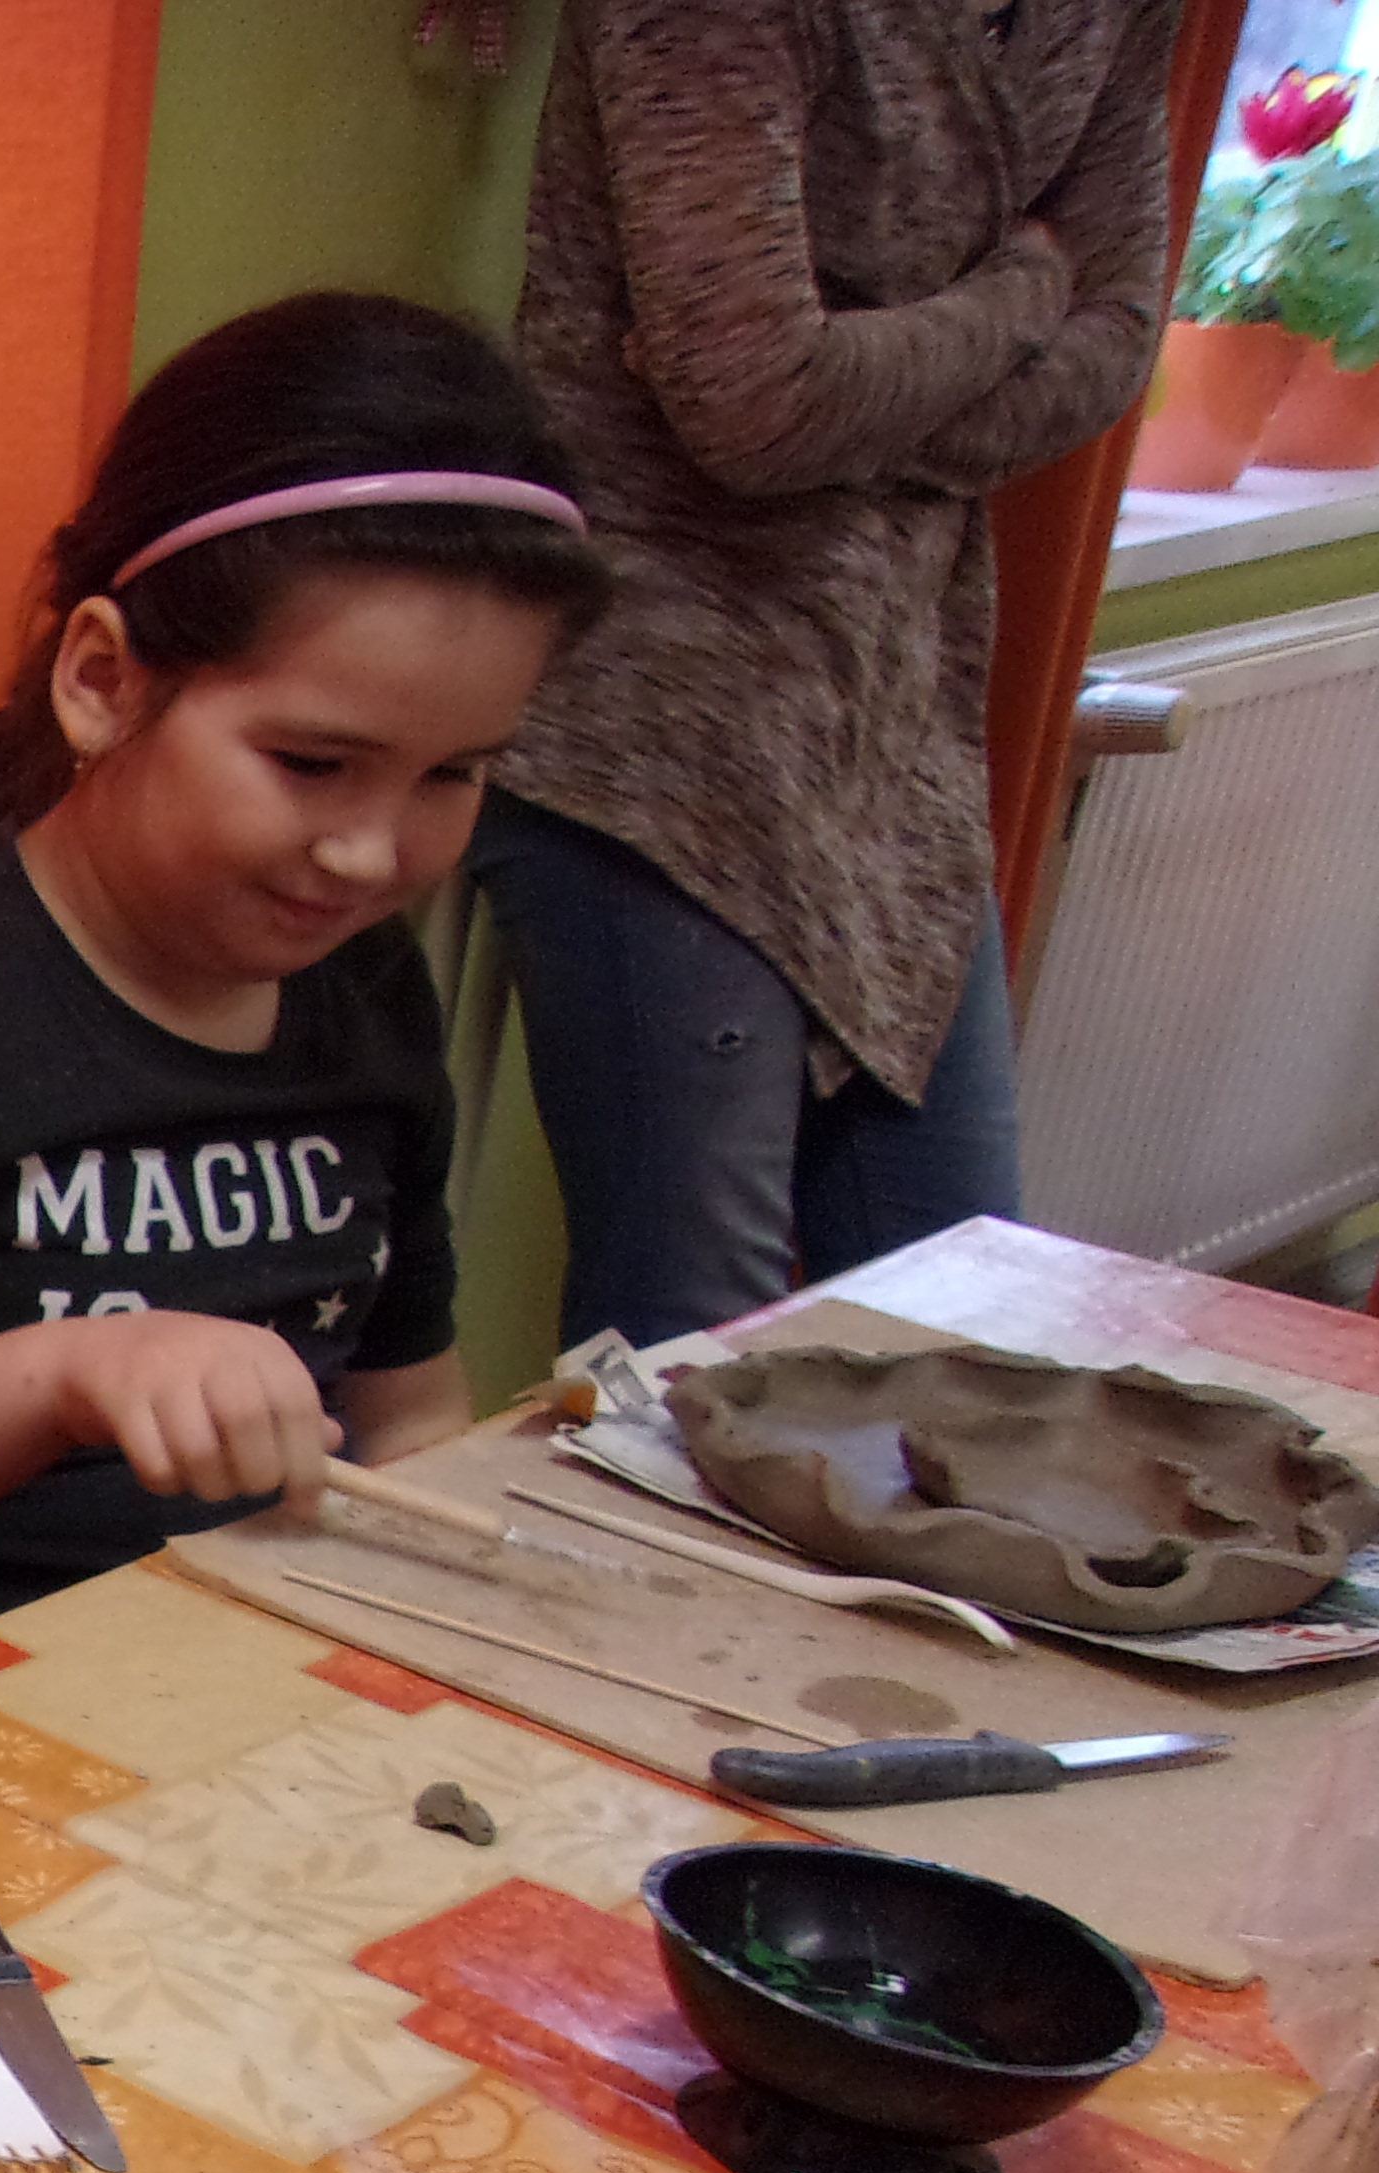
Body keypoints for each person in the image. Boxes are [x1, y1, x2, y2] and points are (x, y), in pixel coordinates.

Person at [0, 293, 616, 1723]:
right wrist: (68, 1372)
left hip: (258, 1717)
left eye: (451, 776)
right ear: (102, 681)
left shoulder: (366, 986)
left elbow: (407, 1413)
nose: (370, 855)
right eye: (312, 763)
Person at [470, 1, 1176, 1347]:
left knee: (961, 1324)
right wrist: (1023, 291)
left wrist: (840, 388)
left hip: (895, 733)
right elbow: (758, 403)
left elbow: (1114, 346)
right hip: (655, 720)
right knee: (697, 1350)